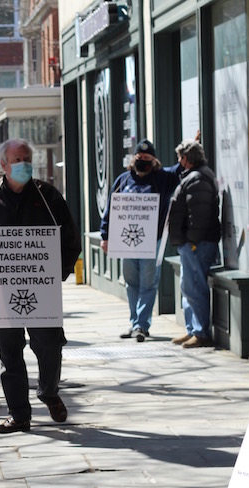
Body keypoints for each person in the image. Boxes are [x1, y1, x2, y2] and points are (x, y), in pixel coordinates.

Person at [0, 138, 81, 434]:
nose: (24, 164)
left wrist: (59, 275)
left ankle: (48, 392)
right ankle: (18, 414)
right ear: (2, 164)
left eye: (27, 158)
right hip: (1, 293)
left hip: (42, 292)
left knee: (50, 347)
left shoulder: (49, 196)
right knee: (10, 353)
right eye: (18, 159)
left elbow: (69, 239)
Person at [100, 139, 182, 342]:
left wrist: (192, 144)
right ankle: (135, 321)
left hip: (151, 242)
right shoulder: (123, 180)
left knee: (148, 283)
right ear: (133, 158)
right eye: (139, 157)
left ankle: (141, 325)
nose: (142, 160)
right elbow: (110, 209)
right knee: (131, 283)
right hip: (125, 242)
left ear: (154, 160)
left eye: (147, 158)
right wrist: (105, 236)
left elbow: (180, 167)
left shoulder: (162, 179)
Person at [168, 140, 221, 348]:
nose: (179, 162)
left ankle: (201, 332)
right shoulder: (195, 176)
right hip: (192, 243)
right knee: (188, 286)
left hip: (196, 244)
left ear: (187, 158)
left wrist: (191, 240)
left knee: (195, 286)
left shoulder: (197, 178)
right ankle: (193, 329)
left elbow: (198, 214)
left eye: (181, 157)